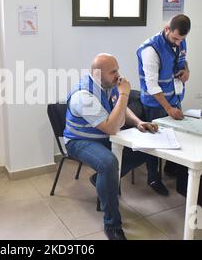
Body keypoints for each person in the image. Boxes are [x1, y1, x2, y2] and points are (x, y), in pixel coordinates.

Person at [63, 53, 165, 240]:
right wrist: (125, 93)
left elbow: (121, 107)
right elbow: (111, 127)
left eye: (117, 69)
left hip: (102, 137)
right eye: (113, 72)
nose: (118, 75)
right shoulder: (83, 96)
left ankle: (100, 180)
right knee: (109, 163)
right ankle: (112, 225)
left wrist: (138, 122)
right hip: (79, 141)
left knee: (145, 150)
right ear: (97, 74)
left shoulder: (107, 85)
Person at [136, 14, 191, 176]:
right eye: (175, 38)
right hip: (155, 103)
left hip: (174, 97)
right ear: (167, 29)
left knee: (177, 136)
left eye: (182, 39)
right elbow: (151, 85)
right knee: (155, 142)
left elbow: (182, 60)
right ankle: (153, 178)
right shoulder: (150, 50)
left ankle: (171, 170)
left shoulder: (180, 40)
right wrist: (168, 109)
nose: (179, 43)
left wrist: (187, 70)